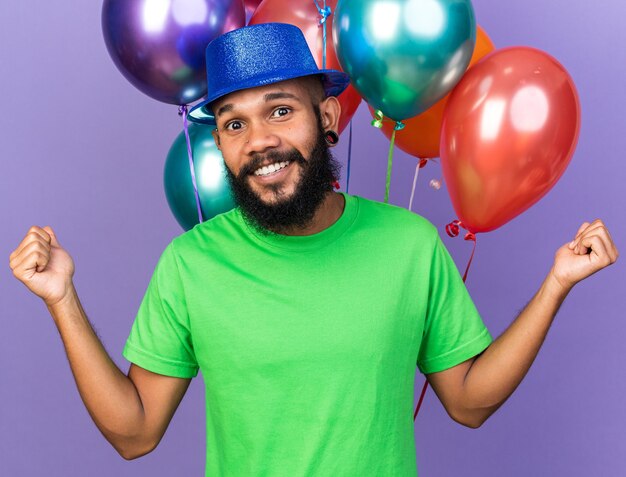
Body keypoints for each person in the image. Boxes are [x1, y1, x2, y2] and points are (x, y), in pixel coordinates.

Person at [9, 23, 618, 476]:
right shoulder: (191, 263)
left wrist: (556, 284)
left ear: (327, 117)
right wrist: (61, 299)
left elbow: (469, 402)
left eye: (280, 110)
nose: (261, 143)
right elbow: (135, 433)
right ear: (219, 142)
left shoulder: (408, 245)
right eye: (234, 123)